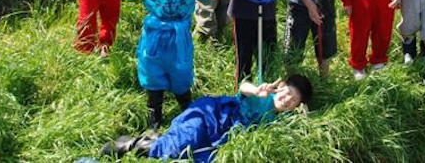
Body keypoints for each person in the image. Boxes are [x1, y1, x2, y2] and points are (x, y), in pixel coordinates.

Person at [109, 0, 219, 130]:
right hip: (153, 37)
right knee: (152, 77)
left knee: (182, 77)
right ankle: (154, 125)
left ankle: (189, 121)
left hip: (179, 37)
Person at [102, 74, 313, 162]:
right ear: (281, 86)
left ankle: (154, 139)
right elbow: (243, 87)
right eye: (287, 93)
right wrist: (256, 90)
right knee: (181, 144)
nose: (286, 100)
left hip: (224, 137)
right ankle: (129, 144)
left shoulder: (279, 122)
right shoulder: (264, 93)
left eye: (293, 101)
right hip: (213, 116)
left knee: (196, 157)